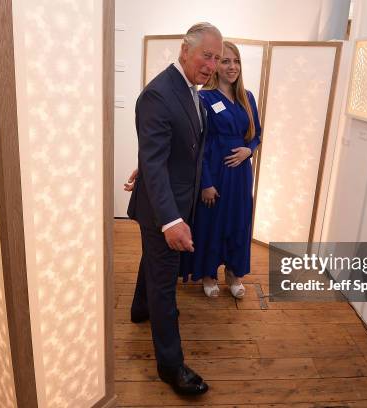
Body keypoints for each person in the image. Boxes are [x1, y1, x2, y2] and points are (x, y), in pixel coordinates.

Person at [126, 22, 223, 395]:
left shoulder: (190, 90)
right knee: (165, 283)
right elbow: (154, 161)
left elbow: (171, 151)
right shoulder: (159, 94)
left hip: (169, 198)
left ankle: (139, 308)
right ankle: (170, 366)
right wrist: (171, 219)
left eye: (216, 58)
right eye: (206, 56)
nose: (212, 64)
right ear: (185, 50)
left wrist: (152, 168)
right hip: (163, 210)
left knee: (152, 260)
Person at [181, 41, 261, 298]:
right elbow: (199, 145)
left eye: (236, 61)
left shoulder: (246, 97)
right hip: (214, 171)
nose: (232, 66)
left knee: (239, 222)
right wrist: (205, 182)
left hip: (240, 174)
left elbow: (257, 134)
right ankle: (208, 273)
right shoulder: (203, 97)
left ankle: (234, 273)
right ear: (215, 66)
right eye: (225, 61)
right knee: (211, 223)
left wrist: (249, 149)